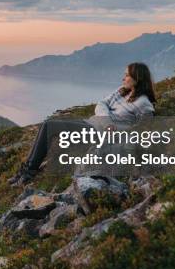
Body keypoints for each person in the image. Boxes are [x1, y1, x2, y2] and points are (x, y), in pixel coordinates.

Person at [8, 62, 156, 186]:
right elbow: (101, 104)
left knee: (50, 126)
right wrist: (107, 120)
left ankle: (29, 172)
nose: (123, 78)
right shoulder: (121, 91)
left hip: (97, 134)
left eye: (127, 75)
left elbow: (140, 131)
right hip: (92, 123)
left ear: (137, 78)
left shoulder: (144, 104)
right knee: (47, 124)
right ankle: (26, 169)